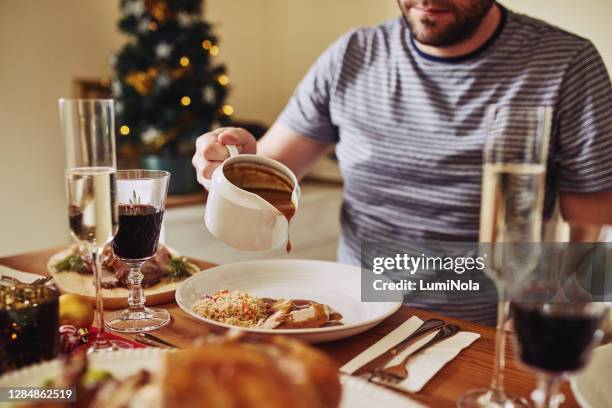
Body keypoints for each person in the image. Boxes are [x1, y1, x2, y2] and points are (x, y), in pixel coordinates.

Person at [192, 0, 612, 325]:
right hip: (353, 317)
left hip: (485, 334)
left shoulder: (566, 64)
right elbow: (263, 175)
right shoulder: (353, 55)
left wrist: (555, 323)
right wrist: (227, 164)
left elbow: (595, 229)